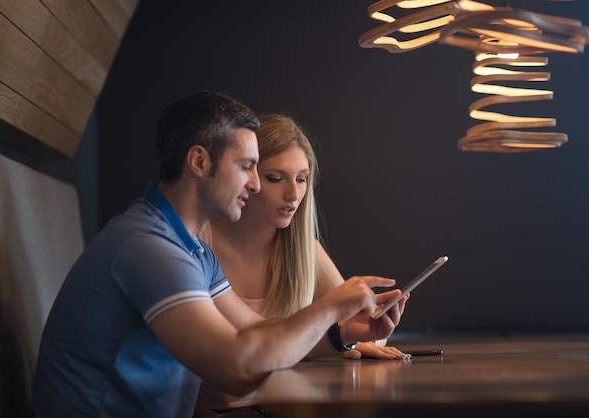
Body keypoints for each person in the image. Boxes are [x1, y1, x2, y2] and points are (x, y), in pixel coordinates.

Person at [33, 91, 406, 418]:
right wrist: (328, 307)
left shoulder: (191, 249)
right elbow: (235, 368)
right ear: (199, 162)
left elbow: (256, 331)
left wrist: (340, 333)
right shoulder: (147, 246)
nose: (255, 183)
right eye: (246, 167)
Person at [194, 114, 409, 417]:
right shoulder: (200, 243)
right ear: (247, 176)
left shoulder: (305, 250)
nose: (293, 195)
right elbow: (245, 347)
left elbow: (361, 326)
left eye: (302, 178)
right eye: (275, 178)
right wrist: (340, 336)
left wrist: (359, 336)